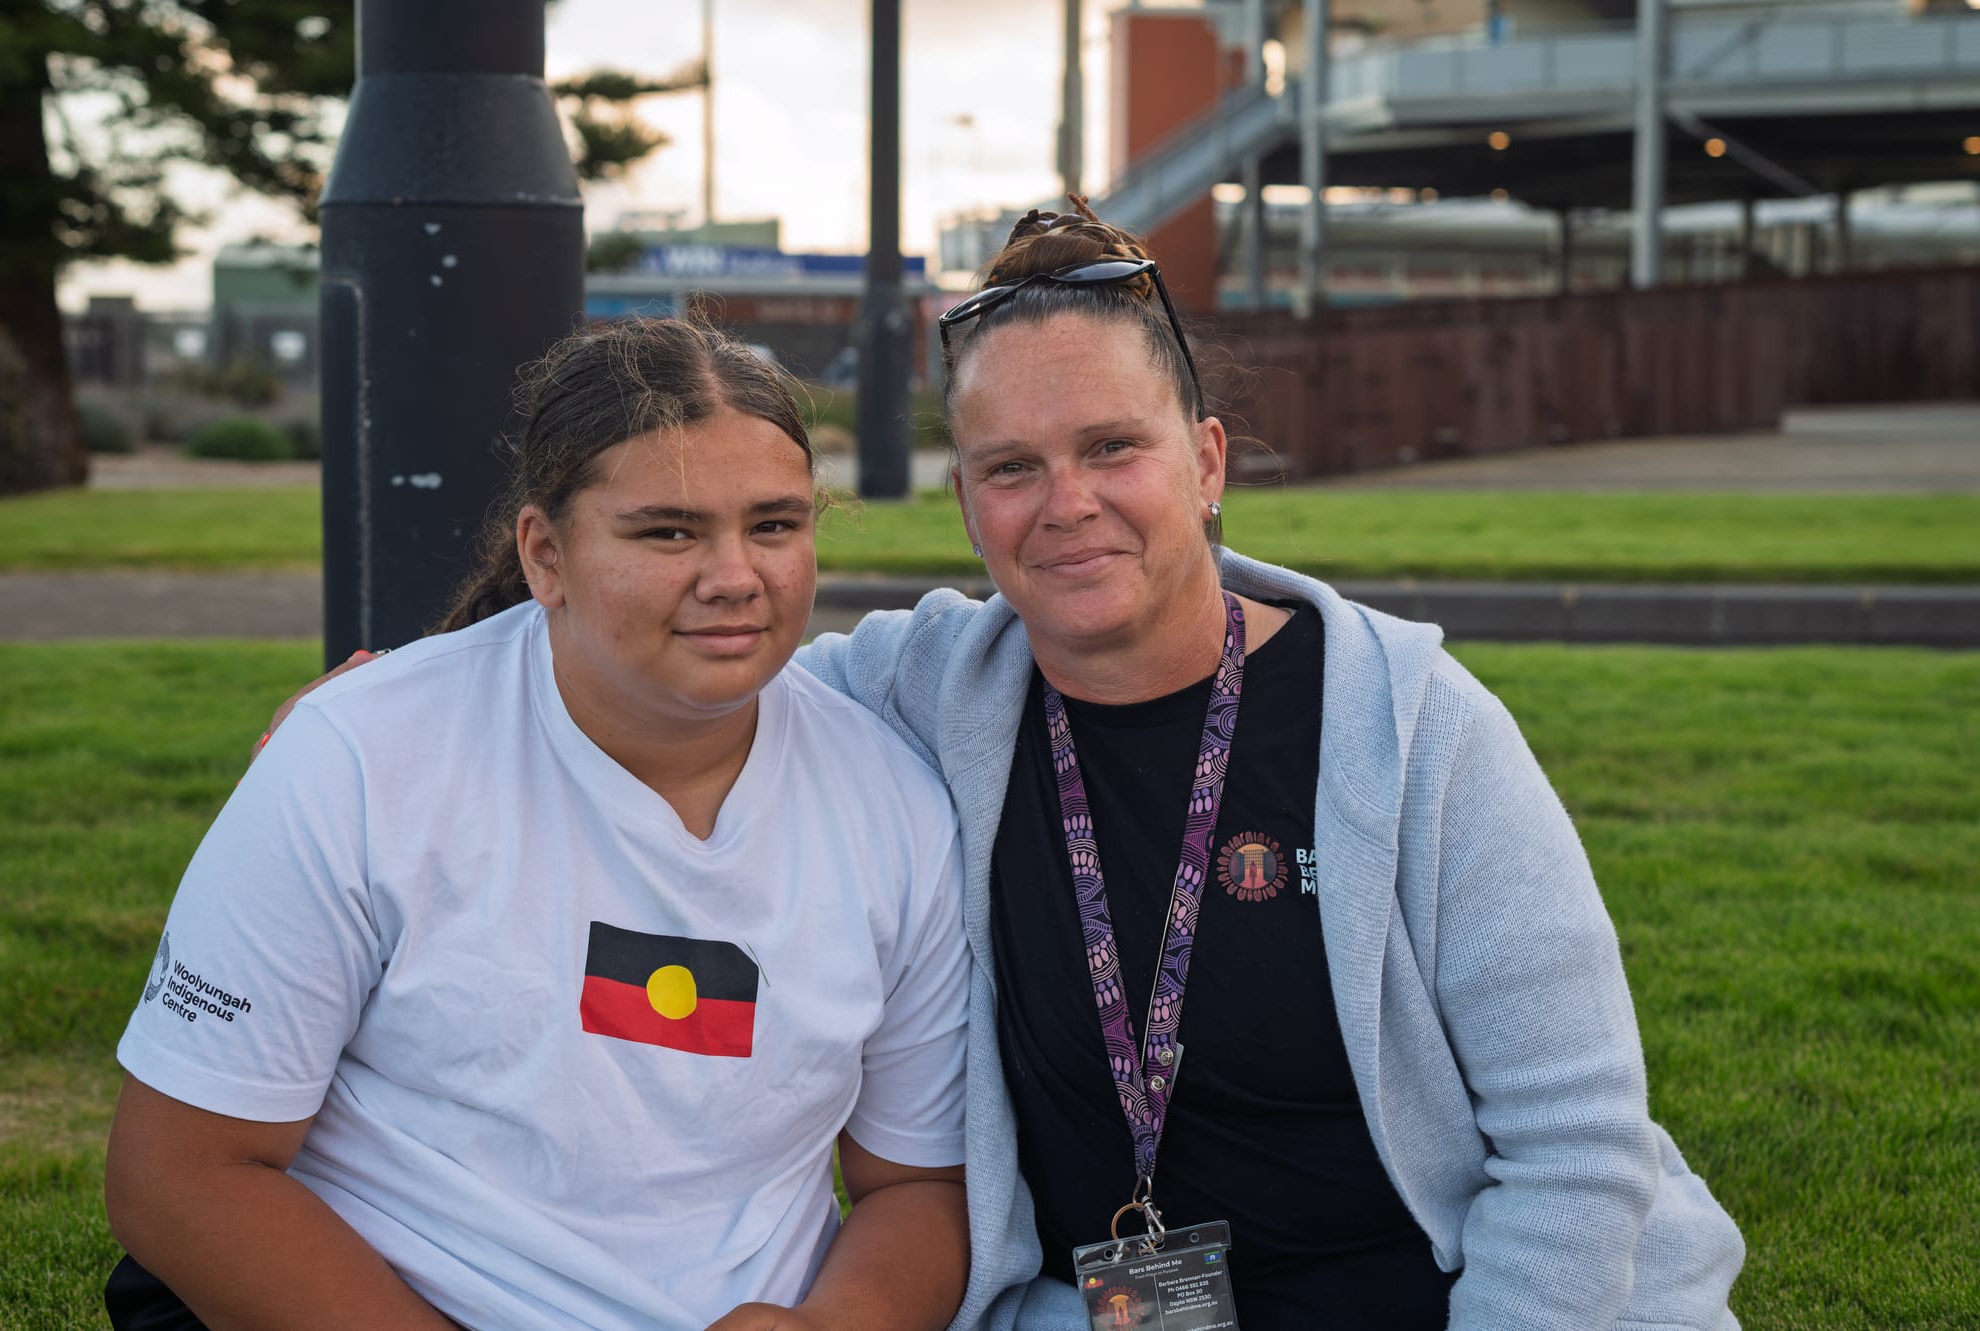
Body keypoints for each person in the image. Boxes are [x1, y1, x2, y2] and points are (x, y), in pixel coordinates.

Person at [259, 203, 1747, 1331]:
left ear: (1206, 460)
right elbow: (671, 646)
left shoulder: (1410, 728)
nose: (1065, 503)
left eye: (1112, 447)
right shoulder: (916, 693)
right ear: (965, 501)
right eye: (1010, 467)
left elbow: (1576, 1148)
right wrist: (414, 694)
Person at [103, 317, 974, 1331]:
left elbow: (917, 1183)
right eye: (669, 531)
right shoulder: (359, 758)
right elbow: (180, 1174)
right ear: (545, 554)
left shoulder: (895, 803)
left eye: (774, 525)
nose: (736, 575)